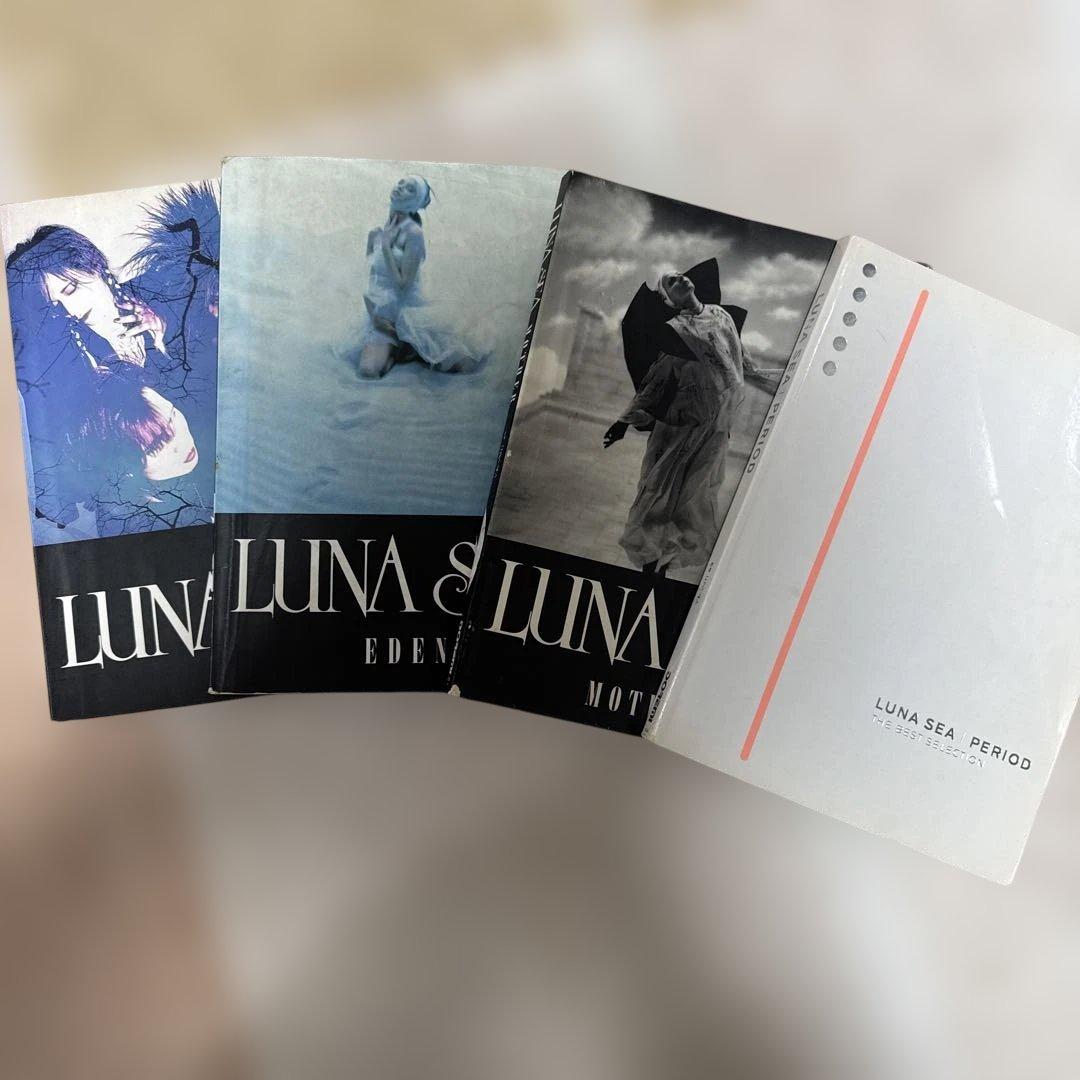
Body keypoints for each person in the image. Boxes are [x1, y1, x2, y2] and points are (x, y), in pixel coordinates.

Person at [6, 186, 218, 538]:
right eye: (55, 304)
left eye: (71, 289)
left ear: (93, 266)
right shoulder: (74, 360)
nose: (70, 309)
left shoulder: (162, 288)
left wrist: (163, 329)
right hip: (160, 494)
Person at [604, 267, 781, 576]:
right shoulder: (675, 332)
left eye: (680, 275)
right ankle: (649, 565)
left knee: (697, 498)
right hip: (678, 427)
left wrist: (783, 384)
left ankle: (668, 562)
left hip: (715, 428)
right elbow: (656, 383)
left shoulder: (722, 316)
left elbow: (743, 365)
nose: (680, 279)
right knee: (659, 492)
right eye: (671, 282)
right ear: (669, 300)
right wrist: (623, 423)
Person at [358, 175, 484, 378]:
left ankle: (407, 343)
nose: (401, 187)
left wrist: (387, 248)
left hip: (407, 313)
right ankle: (398, 348)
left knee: (463, 365)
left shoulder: (413, 233)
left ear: (415, 203)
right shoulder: (375, 233)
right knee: (368, 371)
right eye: (401, 182)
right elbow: (373, 278)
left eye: (410, 188)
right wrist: (374, 315)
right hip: (382, 312)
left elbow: (403, 284)